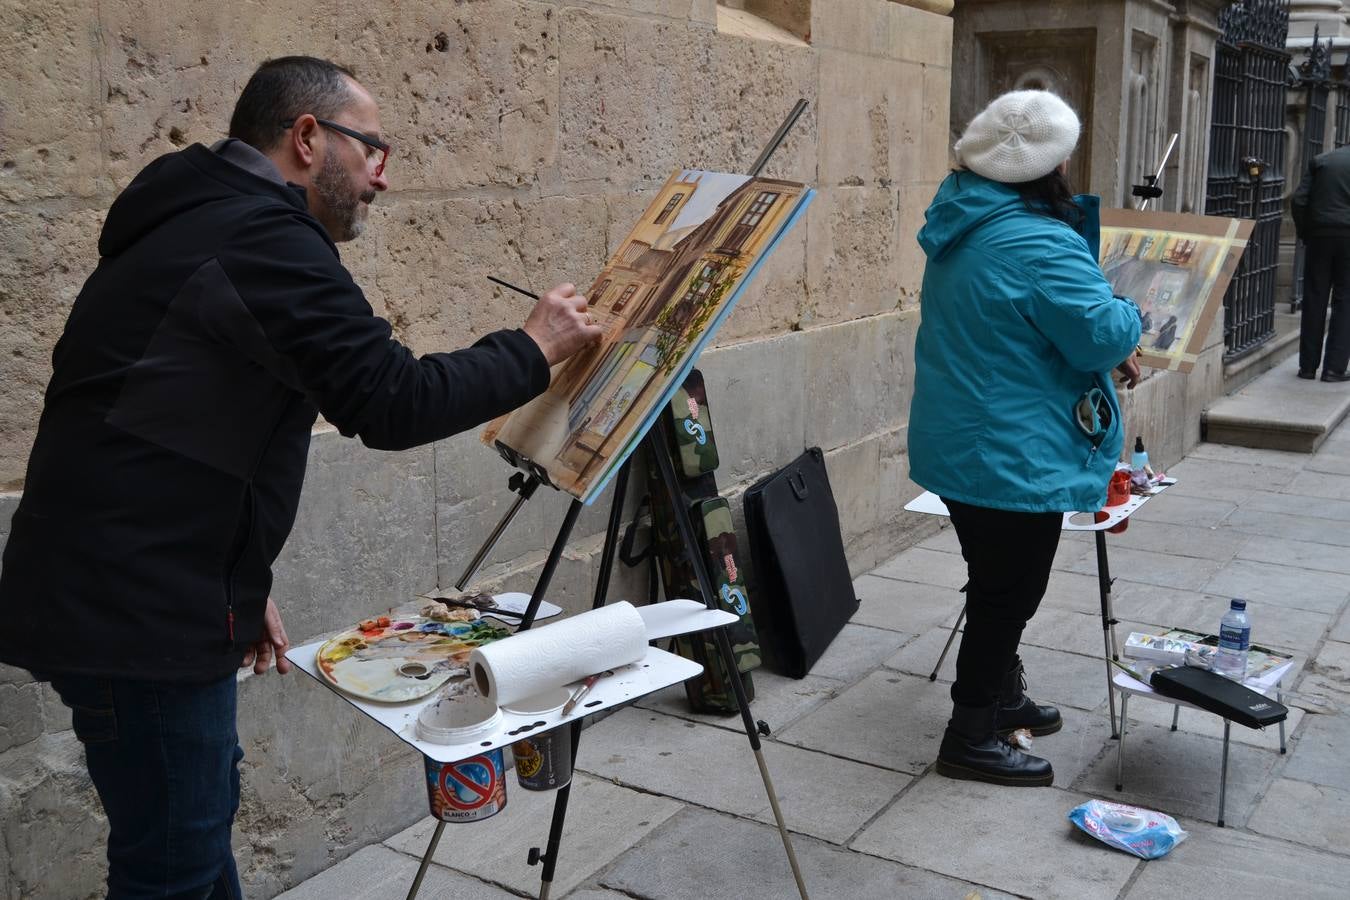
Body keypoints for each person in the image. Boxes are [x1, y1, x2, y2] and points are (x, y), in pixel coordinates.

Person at [0, 56, 601, 898]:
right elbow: (392, 401)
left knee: (190, 843)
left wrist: (231, 579)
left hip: (137, 589)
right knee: (170, 868)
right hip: (134, 610)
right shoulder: (259, 236)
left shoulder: (202, 218)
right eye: (372, 149)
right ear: (309, 138)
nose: (382, 177)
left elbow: (165, 431)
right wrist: (534, 347)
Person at [907, 90, 1142, 787]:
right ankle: (970, 734)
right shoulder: (1037, 240)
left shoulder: (965, 219)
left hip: (966, 437)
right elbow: (1098, 333)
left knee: (995, 579)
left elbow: (1020, 325)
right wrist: (1128, 309)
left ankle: (1003, 697)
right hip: (1010, 448)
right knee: (1008, 592)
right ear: (1055, 164)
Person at [1290, 144, 1350, 382]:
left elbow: (1299, 200)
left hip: (1320, 235)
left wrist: (1306, 232)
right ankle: (1334, 369)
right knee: (1345, 302)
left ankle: (1307, 367)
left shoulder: (1322, 160)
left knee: (1314, 297)